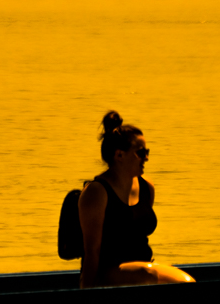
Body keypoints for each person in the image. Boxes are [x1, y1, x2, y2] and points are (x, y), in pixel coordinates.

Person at [78, 111, 195, 288]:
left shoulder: (147, 187)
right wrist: (86, 292)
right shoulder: (97, 192)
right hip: (108, 270)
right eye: (140, 153)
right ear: (119, 155)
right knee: (146, 275)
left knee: (187, 282)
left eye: (147, 151)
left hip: (143, 266)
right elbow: (92, 252)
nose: (146, 158)